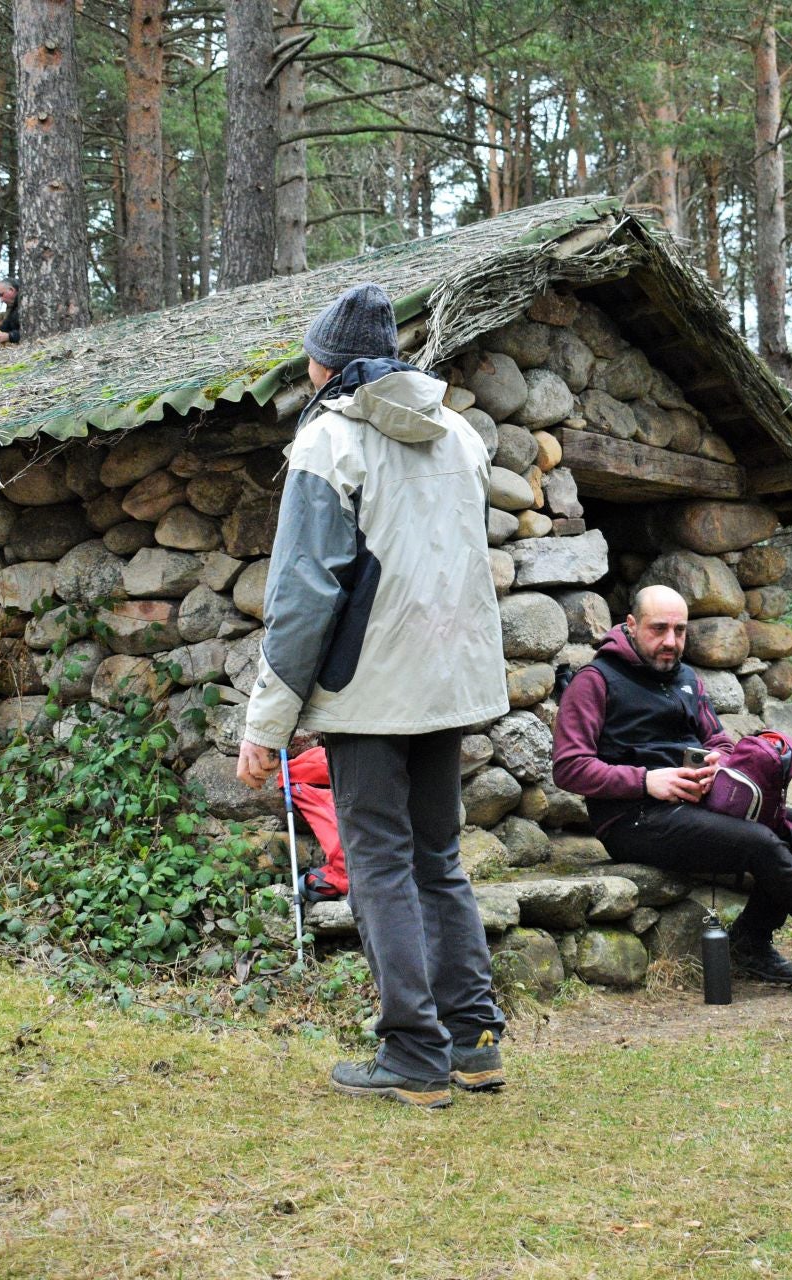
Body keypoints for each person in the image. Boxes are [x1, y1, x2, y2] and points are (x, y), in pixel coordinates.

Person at [235, 281, 509, 1110]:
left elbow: (303, 595)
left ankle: (414, 1055)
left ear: (326, 364)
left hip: (366, 690)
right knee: (438, 862)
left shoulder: (329, 443)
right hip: (447, 683)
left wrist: (266, 725)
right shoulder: (460, 435)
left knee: (382, 868)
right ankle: (473, 1042)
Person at [552, 584, 792, 989]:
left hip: (697, 804)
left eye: (680, 630)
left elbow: (719, 740)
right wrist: (647, 780)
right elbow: (569, 768)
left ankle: (751, 942)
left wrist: (716, 762)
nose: (671, 642)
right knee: (759, 842)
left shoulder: (685, 677)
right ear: (631, 626)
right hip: (632, 819)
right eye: (659, 629)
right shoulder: (594, 681)